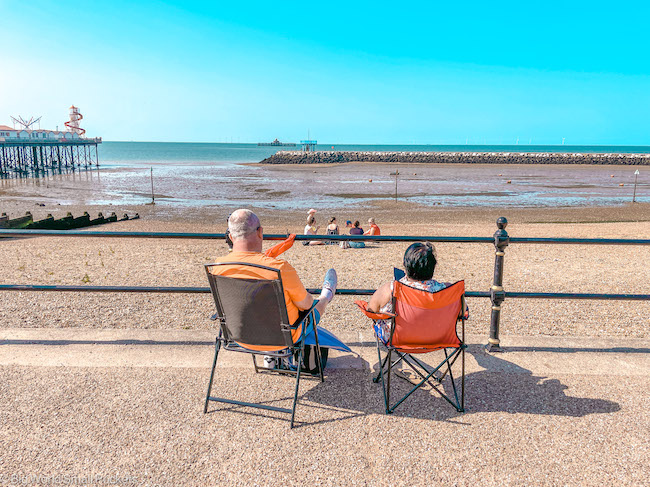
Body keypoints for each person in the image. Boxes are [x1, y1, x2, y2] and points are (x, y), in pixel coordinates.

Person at [211, 209, 338, 360]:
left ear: (231, 237)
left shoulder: (218, 266)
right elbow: (307, 305)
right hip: (282, 339)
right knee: (317, 304)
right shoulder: (279, 268)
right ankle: (327, 294)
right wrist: (315, 301)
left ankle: (269, 358)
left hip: (238, 337)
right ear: (260, 232)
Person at [367, 242, 448, 344]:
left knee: (378, 321)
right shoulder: (446, 290)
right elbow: (462, 312)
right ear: (433, 266)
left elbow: (371, 310)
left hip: (397, 340)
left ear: (405, 265)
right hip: (437, 339)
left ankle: (393, 356)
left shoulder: (392, 289)